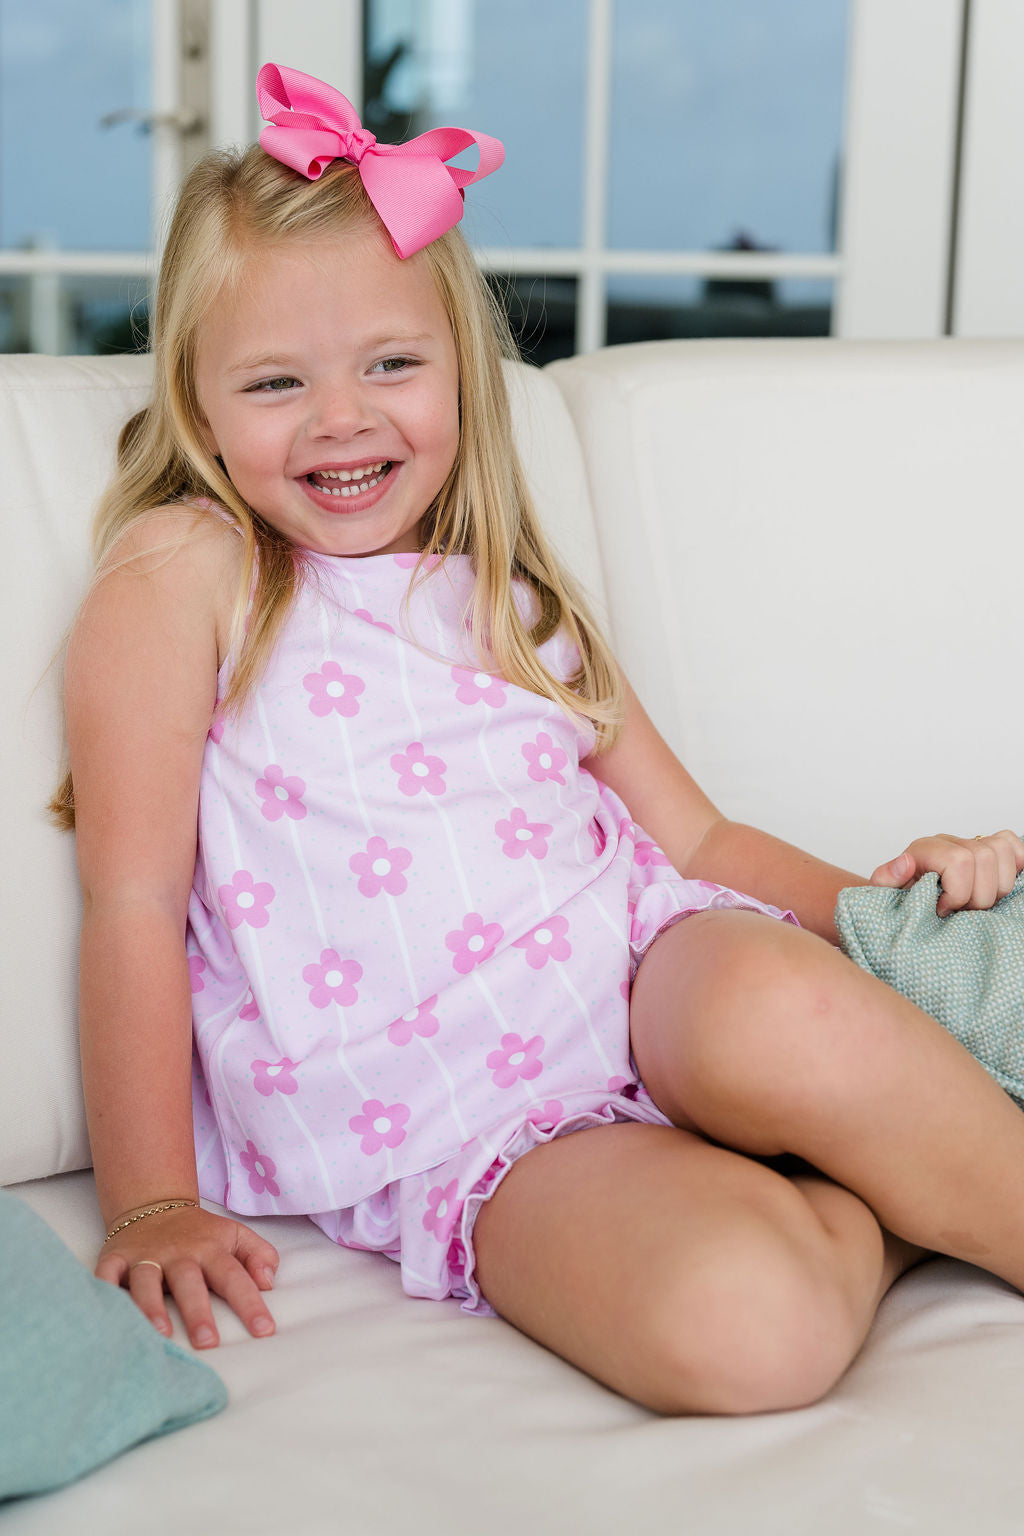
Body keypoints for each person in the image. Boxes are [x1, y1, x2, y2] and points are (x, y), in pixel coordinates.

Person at [56, 63, 1024, 1418]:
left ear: (462, 370)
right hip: (474, 1126)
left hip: (651, 980)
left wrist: (890, 917)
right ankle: (881, 1191)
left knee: (783, 1009)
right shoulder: (187, 572)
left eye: (392, 365)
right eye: (276, 381)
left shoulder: (511, 600)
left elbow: (698, 837)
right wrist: (151, 1196)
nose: (342, 418)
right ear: (196, 400)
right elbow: (132, 900)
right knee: (748, 1334)